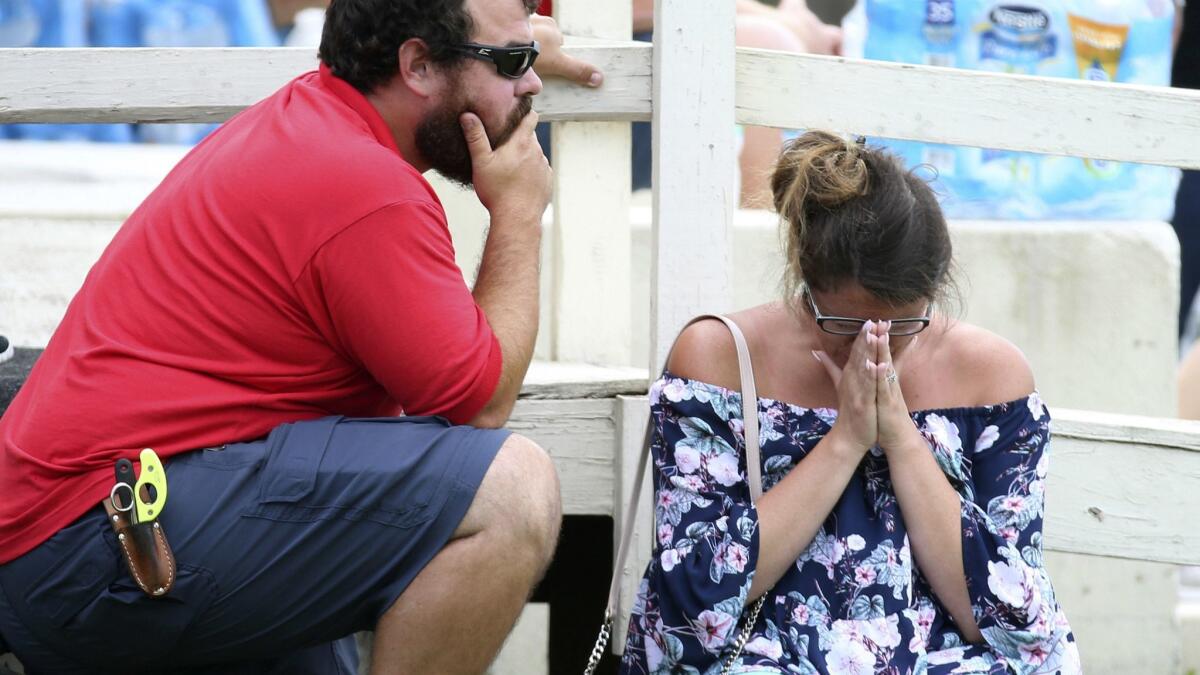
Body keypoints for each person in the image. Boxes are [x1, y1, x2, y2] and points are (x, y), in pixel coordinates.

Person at [0, 0, 599, 672]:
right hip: (99, 544)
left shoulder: (318, 117)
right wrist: (519, 211)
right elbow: (479, 401)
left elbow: (473, 53)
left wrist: (503, 53)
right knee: (514, 491)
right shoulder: (365, 186)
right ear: (418, 65)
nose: (532, 85)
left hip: (100, 532)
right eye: (514, 64)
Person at [618, 131, 1081, 674]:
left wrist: (902, 439)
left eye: (902, 323)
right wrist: (845, 440)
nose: (872, 344)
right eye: (847, 323)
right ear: (805, 282)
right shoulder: (720, 358)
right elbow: (690, 606)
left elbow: (1012, 623)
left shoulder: (991, 378)